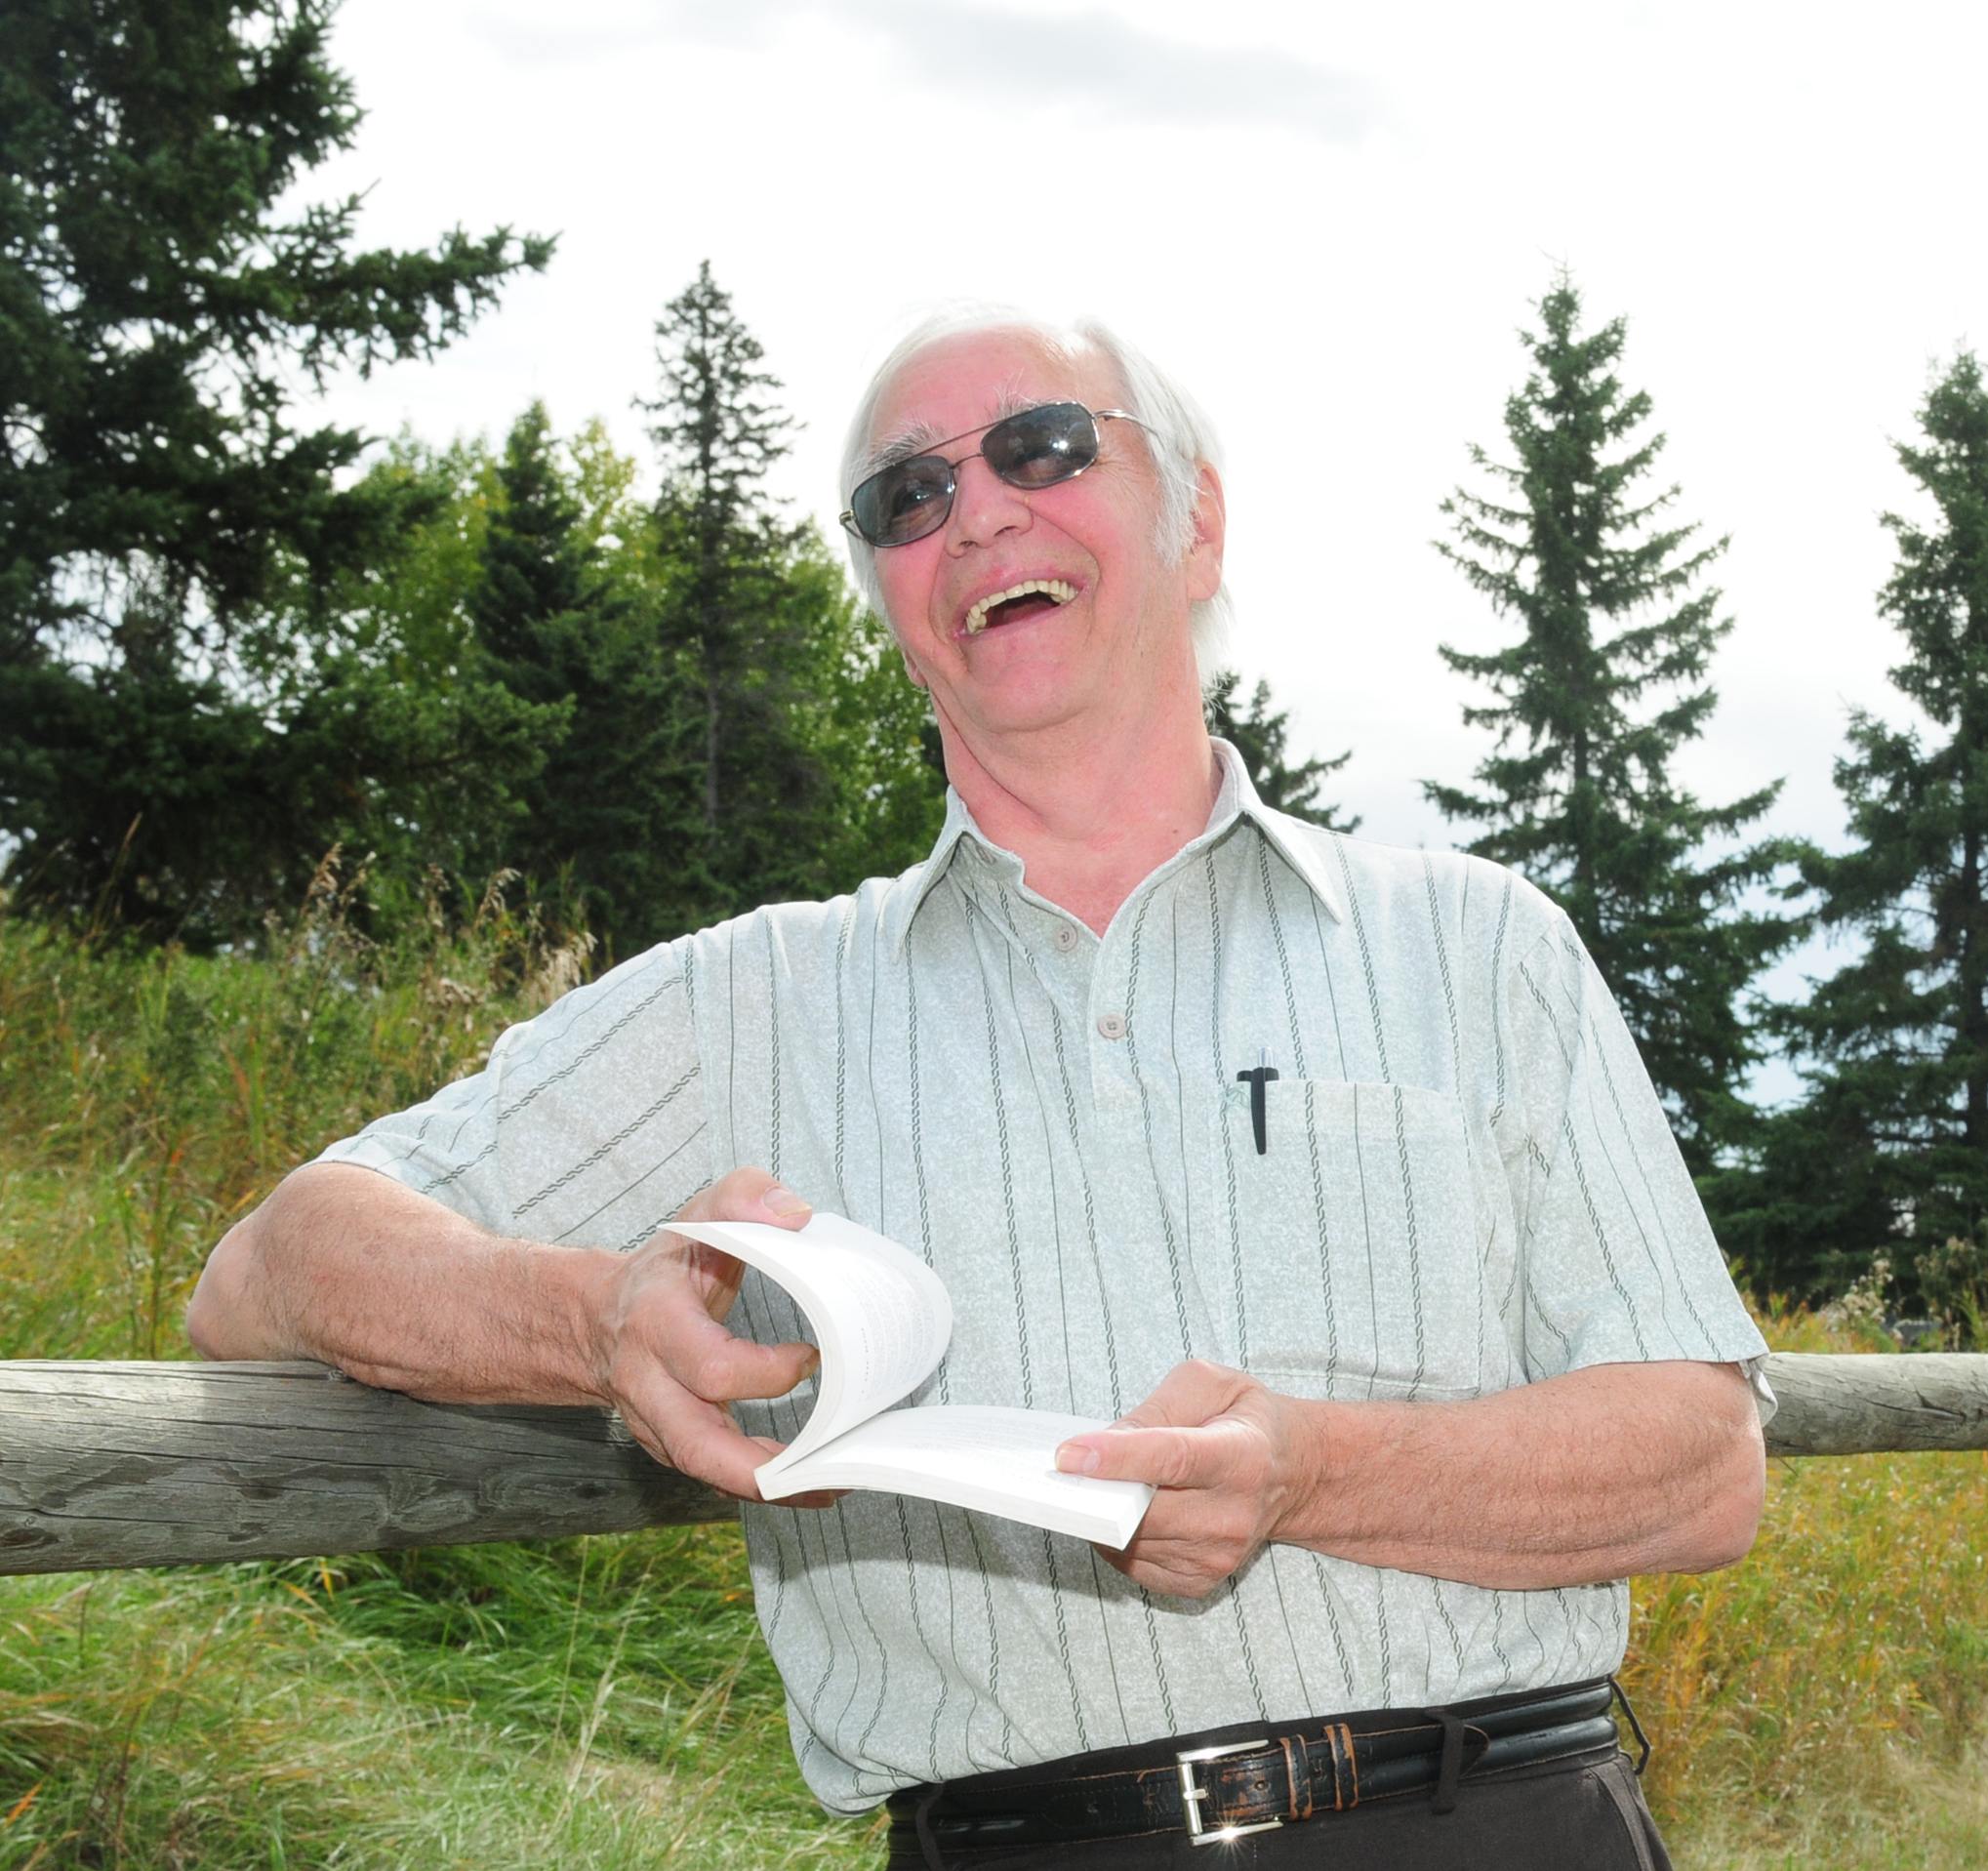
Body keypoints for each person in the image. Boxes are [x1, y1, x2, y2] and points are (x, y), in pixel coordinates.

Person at [186, 306, 1771, 1867]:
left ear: (1195, 519)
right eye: (908, 496)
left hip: (1494, 1824)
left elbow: (1702, 1464)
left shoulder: (1478, 943)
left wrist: (1316, 1473)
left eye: (1045, 445)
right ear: (888, 594)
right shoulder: (752, 997)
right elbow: (267, 1265)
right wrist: (591, 1321)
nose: (979, 509)